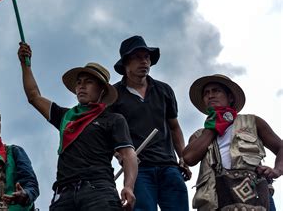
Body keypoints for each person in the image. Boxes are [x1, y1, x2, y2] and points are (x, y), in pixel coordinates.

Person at [18, 42, 138, 211]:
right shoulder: (65, 117)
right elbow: (34, 96)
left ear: (102, 90)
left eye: (88, 82)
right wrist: (25, 64)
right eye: (79, 82)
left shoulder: (113, 119)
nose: (81, 86)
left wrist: (129, 186)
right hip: (63, 194)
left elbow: (128, 155)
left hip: (98, 190)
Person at [109, 35, 191, 211]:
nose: (144, 62)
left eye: (146, 57)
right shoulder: (113, 95)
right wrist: (121, 156)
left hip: (169, 166)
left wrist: (183, 157)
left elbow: (174, 127)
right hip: (139, 170)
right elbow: (108, 136)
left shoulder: (164, 90)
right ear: (125, 64)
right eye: (137, 58)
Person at [183, 74, 282, 210]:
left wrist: (277, 170)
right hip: (217, 199)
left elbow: (281, 147)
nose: (210, 95)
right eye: (206, 93)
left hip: (255, 195)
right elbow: (188, 157)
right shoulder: (199, 135)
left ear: (230, 97)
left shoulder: (251, 122)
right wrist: (213, 127)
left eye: (216, 90)